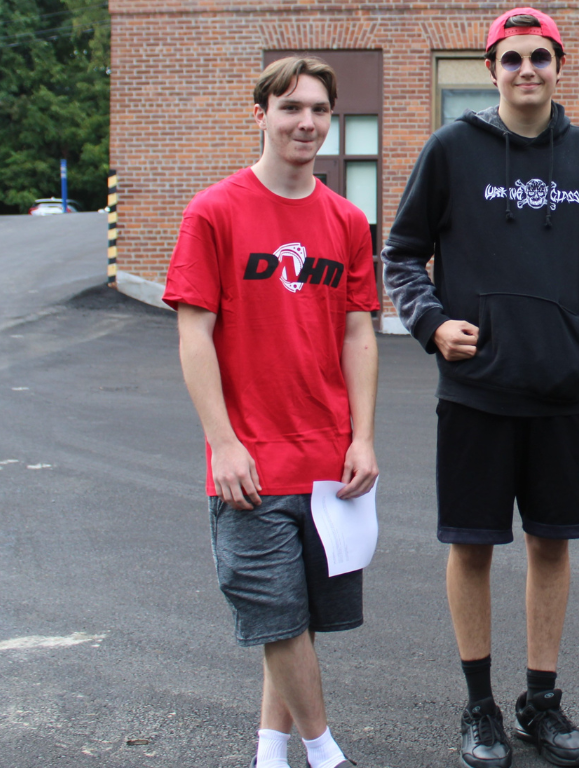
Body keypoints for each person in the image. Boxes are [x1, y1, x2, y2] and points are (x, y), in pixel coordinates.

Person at [382, 7, 579, 768]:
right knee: (471, 547)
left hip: (563, 390)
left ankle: (541, 701)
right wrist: (431, 324)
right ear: (490, 68)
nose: (526, 71)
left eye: (539, 57)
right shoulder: (452, 151)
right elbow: (402, 254)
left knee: (551, 546)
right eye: (511, 59)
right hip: (476, 390)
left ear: (561, 65)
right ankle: (479, 707)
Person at [163, 56, 379, 768]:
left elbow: (358, 331)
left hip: (328, 466)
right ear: (260, 115)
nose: (306, 122)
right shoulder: (214, 212)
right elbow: (193, 331)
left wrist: (364, 437)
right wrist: (221, 442)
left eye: (319, 109)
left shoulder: (347, 221)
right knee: (277, 618)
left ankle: (268, 750)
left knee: (299, 622)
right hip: (250, 461)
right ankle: (324, 753)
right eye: (290, 108)